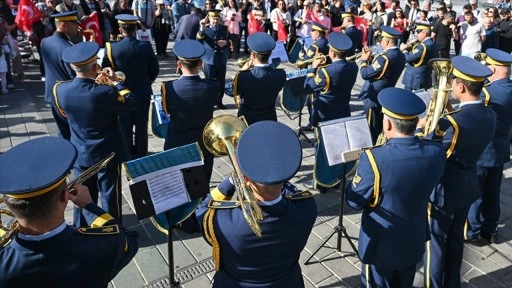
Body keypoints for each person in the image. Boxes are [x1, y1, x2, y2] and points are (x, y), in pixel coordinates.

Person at [0, 137, 138, 287]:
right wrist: (89, 206)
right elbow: (128, 241)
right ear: (65, 196)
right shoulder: (106, 245)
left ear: (10, 204)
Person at [196, 120, 316, 287]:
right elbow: (287, 188)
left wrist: (232, 179)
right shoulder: (307, 207)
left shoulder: (222, 221)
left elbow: (202, 209)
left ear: (244, 178)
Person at [346, 87, 445, 288]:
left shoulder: (374, 158)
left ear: (388, 123)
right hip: (414, 236)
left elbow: (354, 201)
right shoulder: (436, 151)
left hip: (381, 243)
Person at [418, 56, 496, 288]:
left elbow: (431, 152)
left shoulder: (452, 123)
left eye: (452, 82)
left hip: (444, 189)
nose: (450, 85)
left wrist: (423, 129)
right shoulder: (489, 113)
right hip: (467, 183)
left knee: (435, 243)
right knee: (455, 240)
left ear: (461, 86)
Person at [54, 41, 139, 227]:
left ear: (71, 66)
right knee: (110, 195)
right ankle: (114, 231)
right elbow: (131, 102)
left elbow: (64, 115)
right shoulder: (105, 92)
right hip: (107, 153)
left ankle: (81, 229)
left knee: (81, 194)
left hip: (80, 152)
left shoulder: (59, 89)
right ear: (95, 66)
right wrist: (116, 82)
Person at [466, 49, 512, 244]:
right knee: (493, 192)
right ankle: (491, 229)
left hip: (483, 150)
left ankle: (474, 232)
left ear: (492, 68)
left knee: (476, 193)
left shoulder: (487, 93)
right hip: (501, 148)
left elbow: (471, 118)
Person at [303, 32, 358, 193]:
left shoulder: (326, 72)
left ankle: (320, 182)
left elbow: (308, 86)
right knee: (337, 150)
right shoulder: (353, 67)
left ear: (332, 53)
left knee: (321, 151)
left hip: (325, 116)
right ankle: (336, 179)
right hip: (343, 113)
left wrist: (313, 67)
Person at [103, 14, 160, 160]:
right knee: (141, 124)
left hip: (121, 93)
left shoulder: (112, 48)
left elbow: (106, 69)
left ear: (121, 30)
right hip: (142, 92)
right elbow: (154, 69)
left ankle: (127, 153)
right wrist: (148, 81)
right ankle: (141, 153)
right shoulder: (145, 46)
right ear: (135, 30)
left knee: (124, 124)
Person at [161, 39, 218, 183]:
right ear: (200, 63)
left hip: (177, 143)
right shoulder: (212, 86)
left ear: (179, 64)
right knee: (203, 184)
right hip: (203, 143)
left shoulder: (168, 88)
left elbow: (166, 111)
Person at [359, 26, 405, 144]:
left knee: (371, 128)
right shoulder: (400, 54)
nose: (380, 43)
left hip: (374, 96)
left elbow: (365, 74)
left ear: (387, 41)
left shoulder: (384, 58)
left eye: (382, 40)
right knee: (379, 125)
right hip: (386, 93)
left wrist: (364, 60)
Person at [41, 11, 81, 141]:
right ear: (63, 25)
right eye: (74, 24)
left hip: (52, 94)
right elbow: (74, 76)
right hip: (67, 97)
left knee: (62, 131)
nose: (77, 26)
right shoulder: (67, 48)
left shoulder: (45, 42)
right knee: (74, 133)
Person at [233, 32, 286, 125]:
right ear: (271, 54)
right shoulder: (281, 74)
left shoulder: (243, 76)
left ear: (253, 55)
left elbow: (229, 89)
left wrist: (241, 70)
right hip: (269, 119)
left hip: (247, 121)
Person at [298, 21, 329, 131]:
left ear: (318, 33)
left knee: (311, 101)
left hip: (315, 74)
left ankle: (313, 122)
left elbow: (306, 61)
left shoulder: (315, 46)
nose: (311, 33)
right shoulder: (326, 42)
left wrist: (301, 57)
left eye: (313, 31)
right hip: (325, 74)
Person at [197, 9, 230, 109]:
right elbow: (198, 40)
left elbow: (231, 40)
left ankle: (219, 101)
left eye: (217, 19)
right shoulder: (205, 29)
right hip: (209, 59)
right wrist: (201, 28)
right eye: (213, 19)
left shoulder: (224, 28)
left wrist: (226, 43)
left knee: (221, 82)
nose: (215, 21)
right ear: (209, 18)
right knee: (209, 82)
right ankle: (210, 102)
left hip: (221, 59)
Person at [400, 23, 439, 91]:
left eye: (418, 32)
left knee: (409, 98)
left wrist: (403, 49)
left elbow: (407, 58)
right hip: (425, 75)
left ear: (424, 33)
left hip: (415, 78)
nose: (417, 34)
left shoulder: (422, 46)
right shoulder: (434, 43)